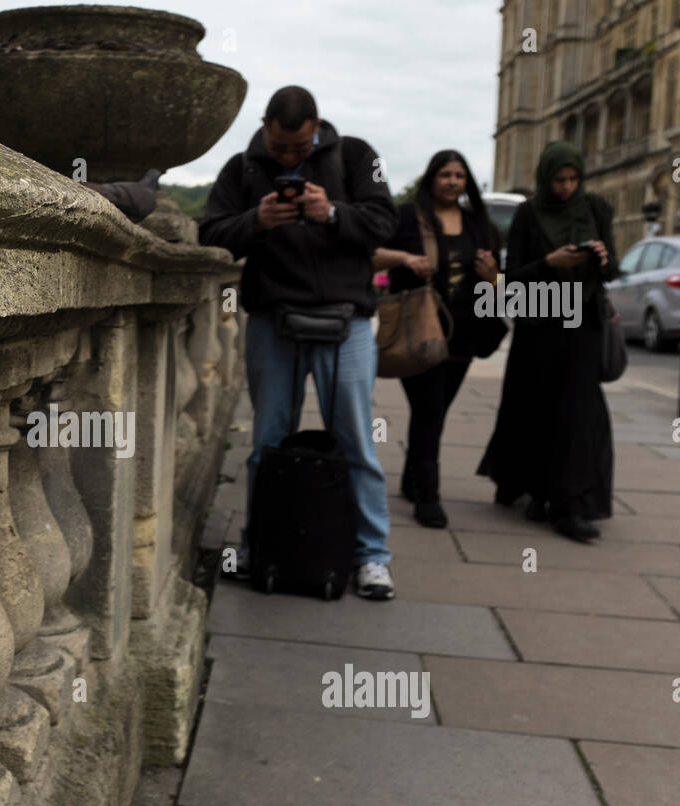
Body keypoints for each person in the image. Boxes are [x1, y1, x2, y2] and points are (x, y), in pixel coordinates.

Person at [199, 86, 398, 599]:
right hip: (274, 320)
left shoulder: (355, 155)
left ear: (317, 128)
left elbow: (383, 223)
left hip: (346, 322)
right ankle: (259, 542)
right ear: (265, 125)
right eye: (281, 147)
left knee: (355, 441)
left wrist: (331, 214)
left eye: (299, 148)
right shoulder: (242, 167)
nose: (288, 157)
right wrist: (256, 221)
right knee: (267, 441)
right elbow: (211, 233)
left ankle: (372, 555)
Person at [477, 141, 619, 542]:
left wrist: (603, 257)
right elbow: (512, 277)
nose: (566, 188)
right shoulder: (528, 212)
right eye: (559, 180)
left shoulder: (596, 209)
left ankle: (570, 504)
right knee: (536, 408)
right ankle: (537, 490)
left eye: (573, 179)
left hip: (583, 327)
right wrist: (549, 263)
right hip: (540, 324)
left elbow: (613, 273)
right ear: (546, 178)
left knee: (578, 412)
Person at [372, 150, 501, 528]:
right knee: (429, 410)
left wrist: (493, 275)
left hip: (464, 332)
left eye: (459, 175)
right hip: (419, 328)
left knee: (436, 411)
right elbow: (371, 255)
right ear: (431, 178)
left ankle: (414, 478)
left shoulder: (478, 222)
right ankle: (428, 495)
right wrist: (405, 259)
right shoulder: (408, 216)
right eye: (445, 174)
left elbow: (496, 279)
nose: (452, 181)